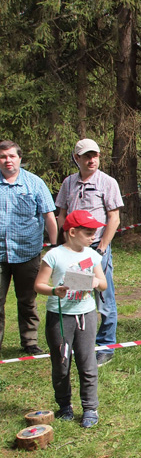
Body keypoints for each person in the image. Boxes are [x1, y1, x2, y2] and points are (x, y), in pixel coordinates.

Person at [34, 210, 108, 428]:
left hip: (86, 315)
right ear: (72, 232)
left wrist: (96, 282)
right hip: (59, 317)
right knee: (61, 364)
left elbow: (103, 284)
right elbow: (39, 285)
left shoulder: (93, 255)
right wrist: (54, 291)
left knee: (87, 363)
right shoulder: (54, 256)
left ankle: (90, 408)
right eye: (88, 232)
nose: (93, 236)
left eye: (95, 232)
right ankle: (64, 405)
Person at [56, 139, 123, 367]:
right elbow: (62, 214)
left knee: (103, 295)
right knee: (75, 293)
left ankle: (105, 345)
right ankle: (79, 341)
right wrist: (64, 244)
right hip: (74, 248)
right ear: (77, 158)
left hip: (96, 249)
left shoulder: (108, 182)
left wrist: (102, 247)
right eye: (86, 156)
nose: (91, 160)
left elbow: (114, 217)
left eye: (95, 155)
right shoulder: (69, 183)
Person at [0, 140, 58, 355]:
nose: (8, 160)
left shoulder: (34, 183)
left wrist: (54, 246)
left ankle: (30, 342)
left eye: (11, 156)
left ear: (19, 158)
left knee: (27, 301)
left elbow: (49, 217)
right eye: (3, 156)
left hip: (27, 253)